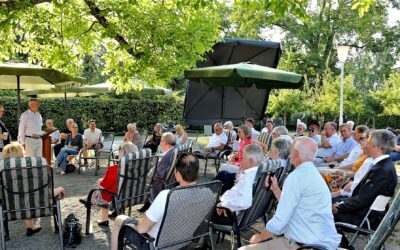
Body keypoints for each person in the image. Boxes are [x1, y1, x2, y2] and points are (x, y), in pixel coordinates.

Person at [239, 137, 341, 250]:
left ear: (296, 153)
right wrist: (276, 189)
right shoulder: (314, 174)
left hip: (305, 245)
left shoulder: (296, 177)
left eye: (291, 150)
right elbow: (294, 205)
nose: (289, 153)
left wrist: (260, 237)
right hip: (321, 242)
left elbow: (280, 220)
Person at [111, 152, 200, 250]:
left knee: (119, 219)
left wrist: (144, 217)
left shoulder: (166, 196)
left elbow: (142, 229)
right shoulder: (208, 194)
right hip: (185, 242)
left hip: (154, 244)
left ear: (177, 174)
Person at [333, 129, 397, 248]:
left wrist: (338, 207)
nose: (364, 146)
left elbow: (361, 200)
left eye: (368, 142)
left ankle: (345, 247)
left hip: (366, 218)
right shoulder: (383, 166)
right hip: (366, 214)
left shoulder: (381, 170)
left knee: (324, 214)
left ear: (378, 147)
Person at [0, 142, 66, 237]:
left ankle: (30, 227)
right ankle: (31, 226)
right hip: (40, 205)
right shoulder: (37, 164)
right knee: (30, 193)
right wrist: (60, 189)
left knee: (21, 195)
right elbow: (47, 192)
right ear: (21, 153)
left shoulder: (2, 167)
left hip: (13, 208)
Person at [79, 142, 138, 227]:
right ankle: (91, 200)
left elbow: (104, 186)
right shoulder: (136, 168)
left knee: (101, 188)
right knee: (102, 185)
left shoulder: (114, 169)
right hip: (130, 194)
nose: (118, 153)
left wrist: (99, 182)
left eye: (120, 151)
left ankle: (95, 205)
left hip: (116, 195)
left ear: (124, 153)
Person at [212, 144, 265, 226]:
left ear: (250, 161)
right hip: (243, 216)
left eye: (243, 158)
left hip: (233, 217)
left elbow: (244, 202)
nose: (241, 161)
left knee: (200, 209)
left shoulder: (248, 178)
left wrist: (222, 204)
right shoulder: (258, 174)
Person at [137, 132, 176, 212]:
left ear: (165, 142)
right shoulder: (172, 152)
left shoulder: (165, 157)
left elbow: (156, 175)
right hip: (165, 183)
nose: (160, 142)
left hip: (156, 185)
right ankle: (148, 205)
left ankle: (149, 205)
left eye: (161, 140)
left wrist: (145, 178)